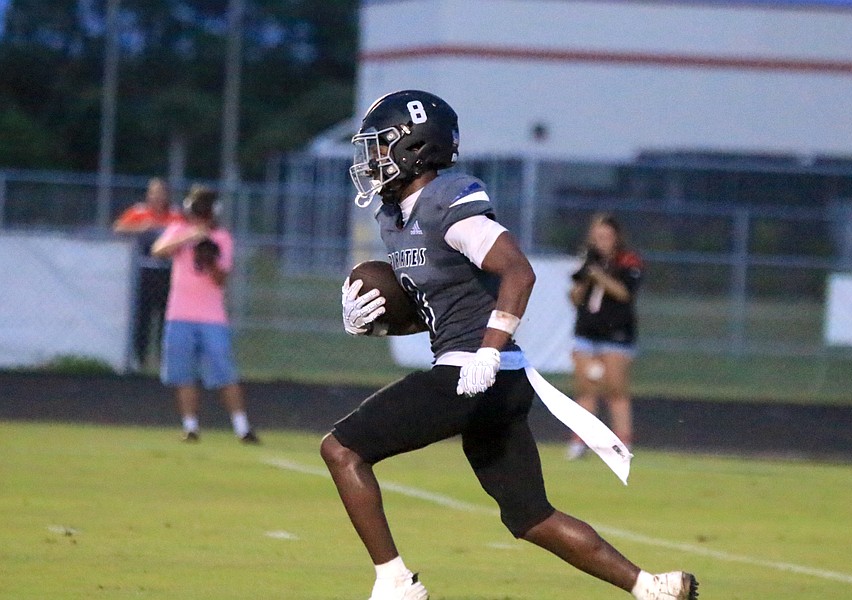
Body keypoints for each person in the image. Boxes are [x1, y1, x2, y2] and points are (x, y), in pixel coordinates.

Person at [320, 90, 697, 600]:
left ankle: (395, 582)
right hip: (493, 377)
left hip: (477, 370)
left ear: (416, 146)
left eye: (382, 145)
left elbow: (518, 271)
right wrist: (376, 323)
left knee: (342, 449)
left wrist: (490, 349)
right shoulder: (395, 218)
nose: (372, 159)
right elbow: (439, 312)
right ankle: (650, 586)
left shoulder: (447, 202)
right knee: (530, 516)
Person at [150, 185, 259, 444]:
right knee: (183, 373)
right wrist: (189, 237)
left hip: (211, 317)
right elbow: (158, 250)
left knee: (224, 372)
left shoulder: (222, 237)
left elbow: (221, 280)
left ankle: (242, 427)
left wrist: (210, 259)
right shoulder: (180, 230)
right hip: (179, 314)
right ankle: (190, 426)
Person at [566, 214, 643, 460]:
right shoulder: (587, 261)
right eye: (597, 237)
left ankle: (623, 443)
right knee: (585, 388)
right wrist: (584, 279)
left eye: (606, 237)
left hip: (616, 336)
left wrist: (598, 275)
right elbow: (575, 298)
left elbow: (624, 293)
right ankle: (580, 441)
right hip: (586, 334)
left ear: (616, 237)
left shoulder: (628, 261)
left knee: (615, 390)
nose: (601, 242)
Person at [113, 177, 182, 370]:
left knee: (166, 319)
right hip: (144, 272)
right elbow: (118, 227)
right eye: (153, 193)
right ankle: (140, 361)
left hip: (168, 272)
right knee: (142, 317)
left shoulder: (175, 215)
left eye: (161, 193)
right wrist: (141, 227)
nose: (157, 197)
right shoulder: (139, 212)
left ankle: (164, 361)